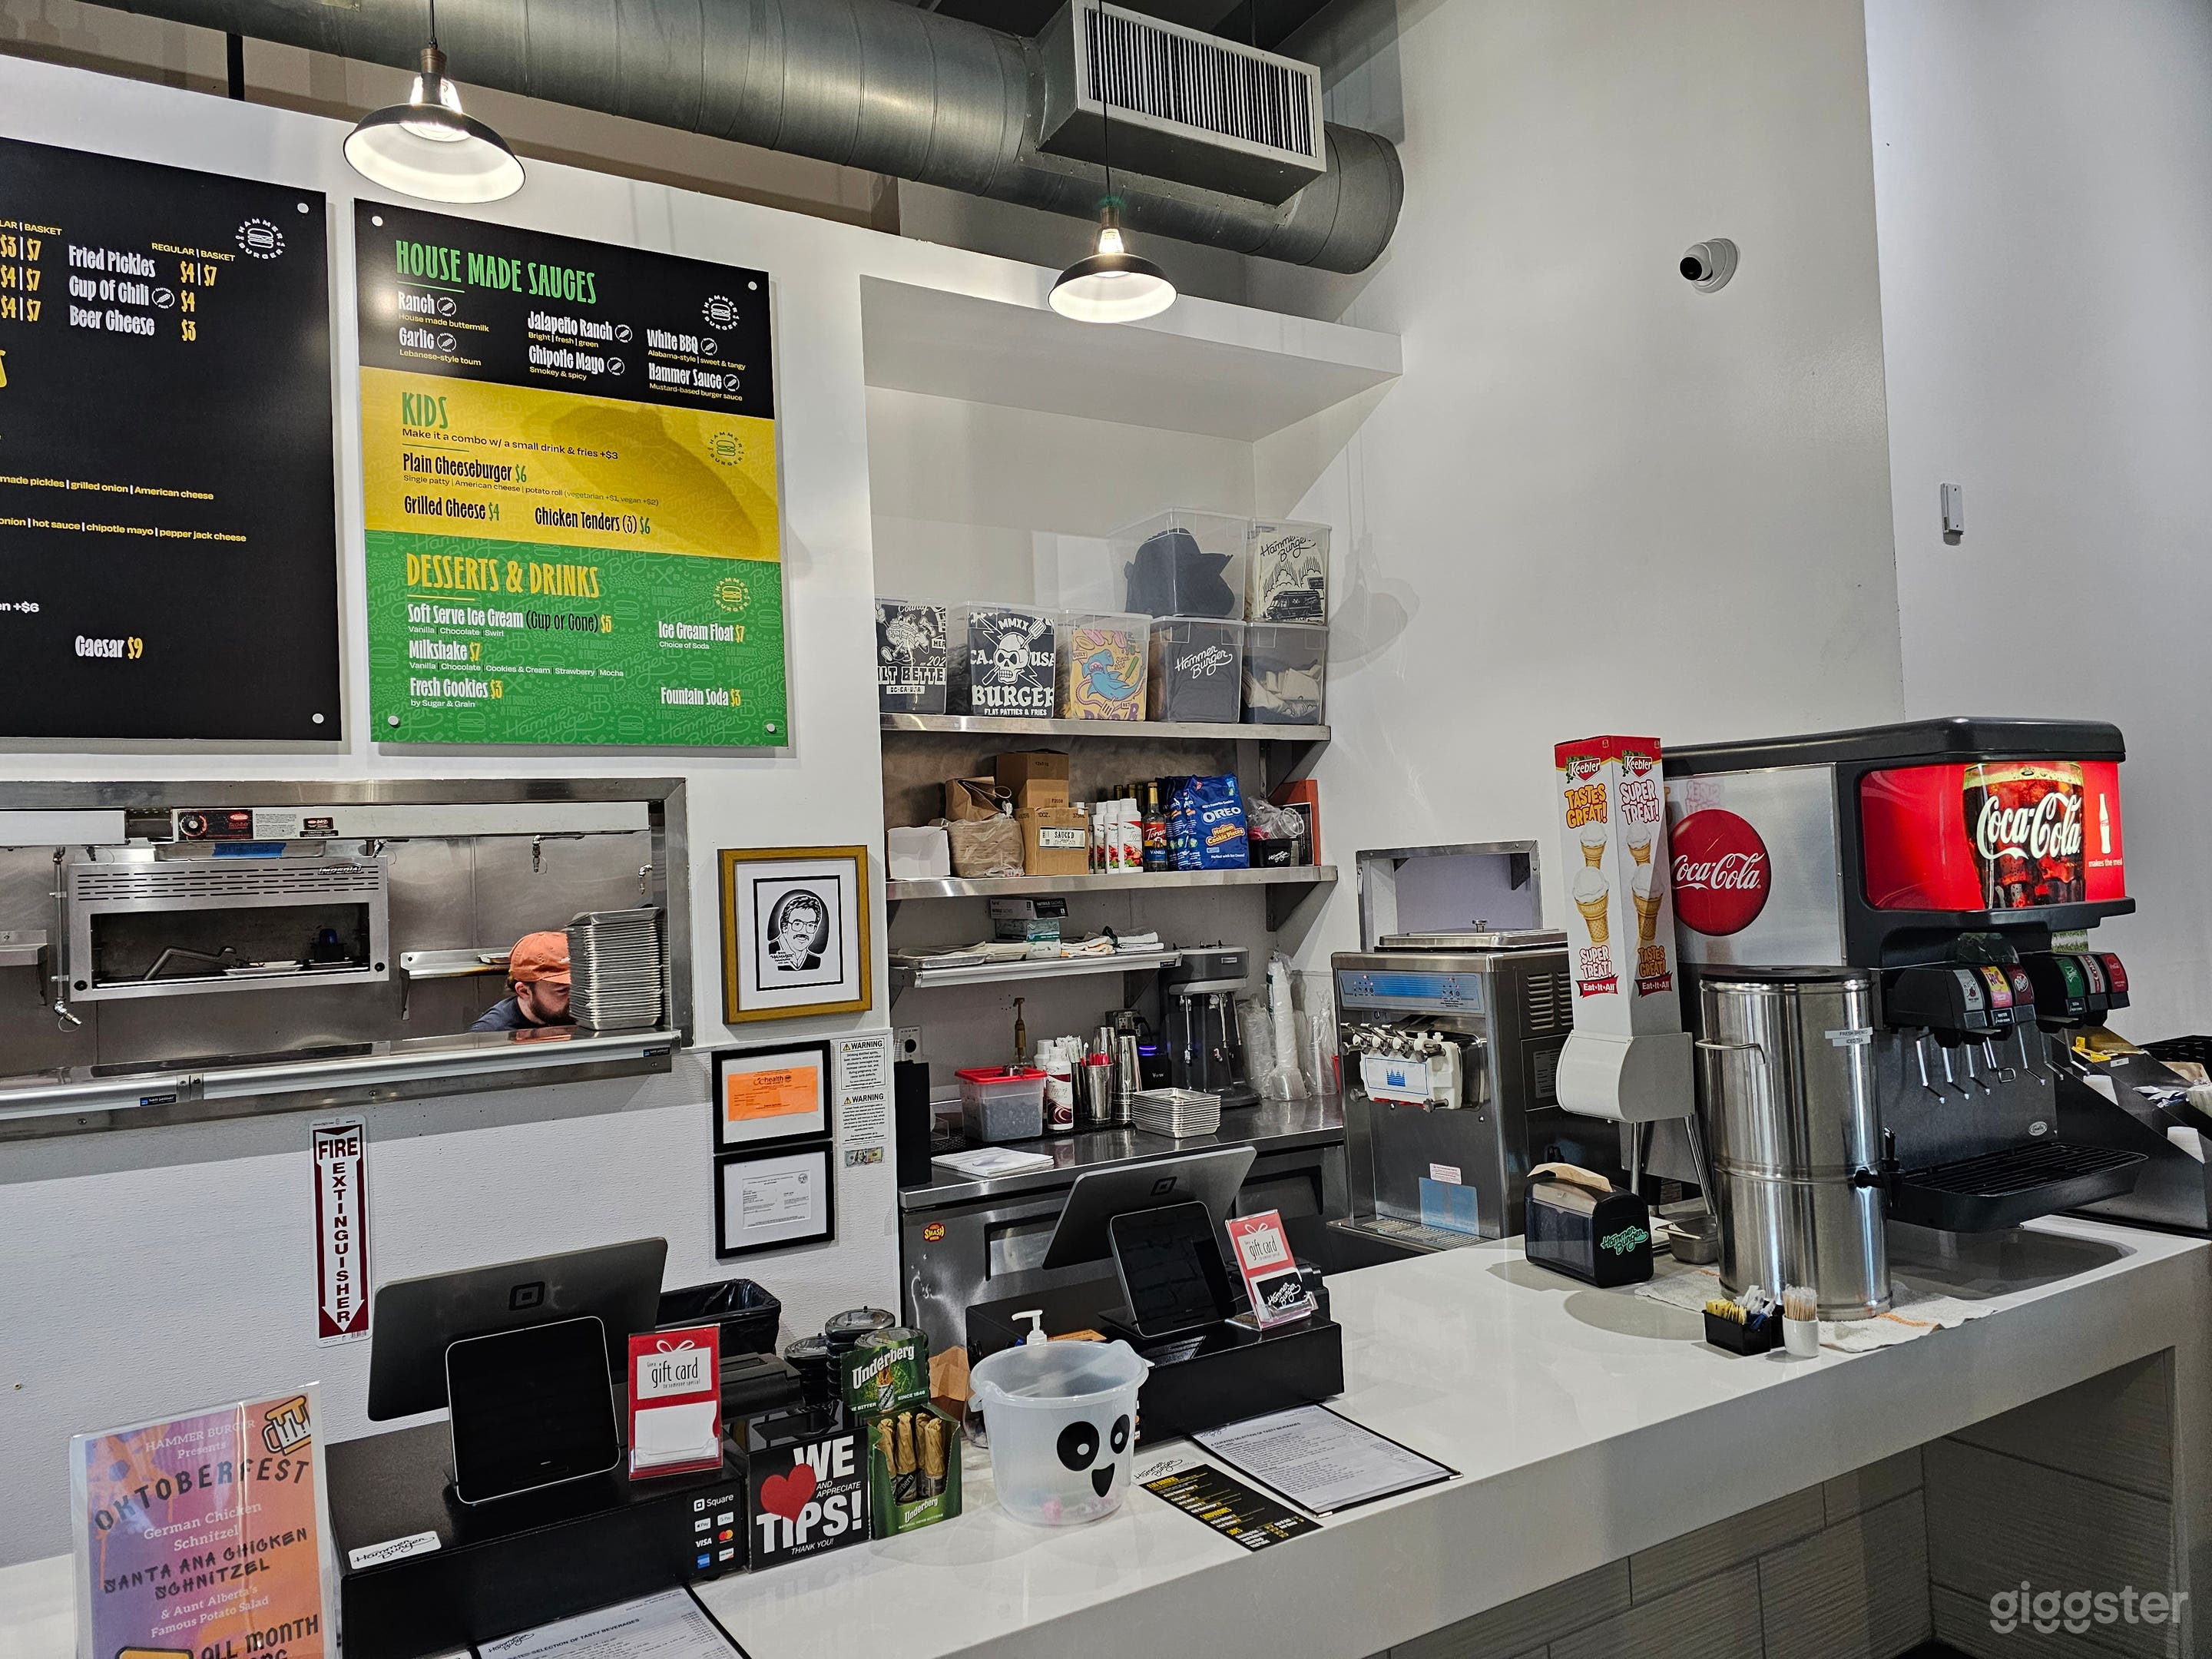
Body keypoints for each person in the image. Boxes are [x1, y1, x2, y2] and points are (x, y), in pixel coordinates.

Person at [472, 931, 575, 1031]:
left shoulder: (580, 1015)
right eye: (562, 990)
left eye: (579, 987)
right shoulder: (493, 1033)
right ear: (524, 991)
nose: (577, 998)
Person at [766, 889, 828, 973]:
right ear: (785, 927)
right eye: (797, 924)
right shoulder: (767, 954)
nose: (804, 931)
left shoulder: (816, 962)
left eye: (810, 925)